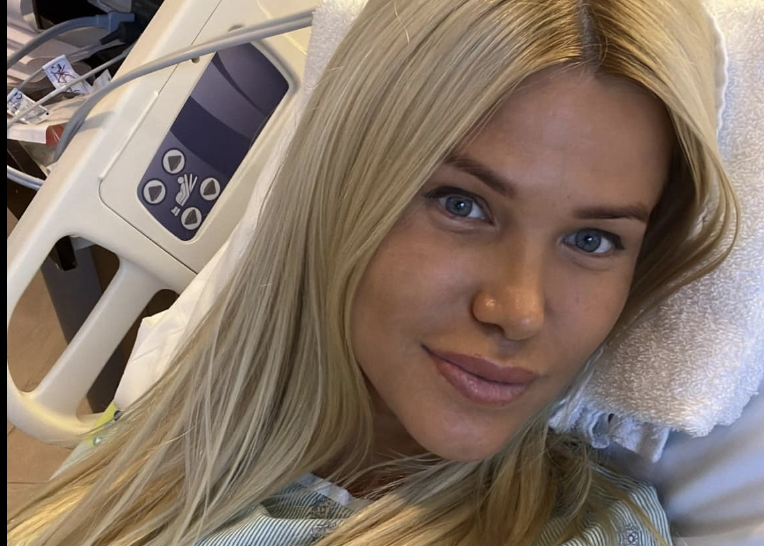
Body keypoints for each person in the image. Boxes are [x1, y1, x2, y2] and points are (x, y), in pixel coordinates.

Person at [7, 0, 737, 544]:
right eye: (462, 204)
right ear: (343, 186)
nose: (518, 309)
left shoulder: (588, 531)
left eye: (593, 239)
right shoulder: (162, 442)